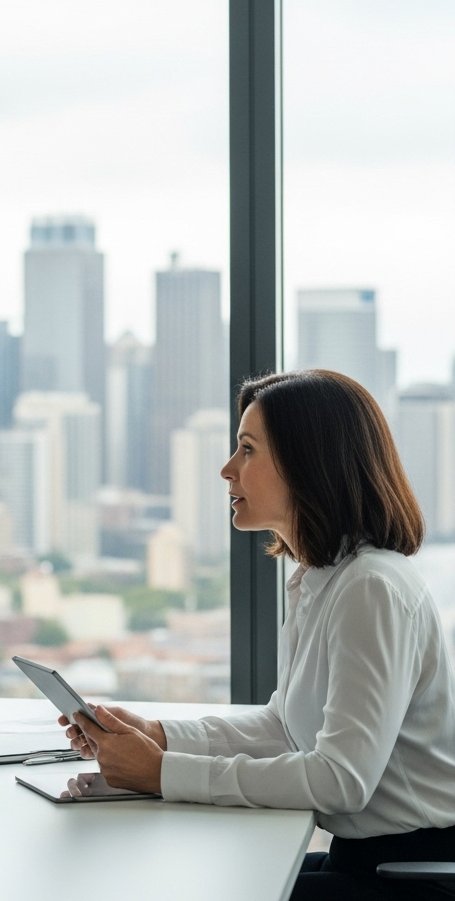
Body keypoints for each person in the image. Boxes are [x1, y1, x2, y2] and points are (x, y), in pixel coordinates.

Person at [60, 369, 455, 900]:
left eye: (247, 450)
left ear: (308, 464)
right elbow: (284, 728)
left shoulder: (370, 588)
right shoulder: (322, 580)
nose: (227, 470)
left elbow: (341, 782)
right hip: (370, 860)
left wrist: (162, 774)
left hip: (411, 873)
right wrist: (160, 735)